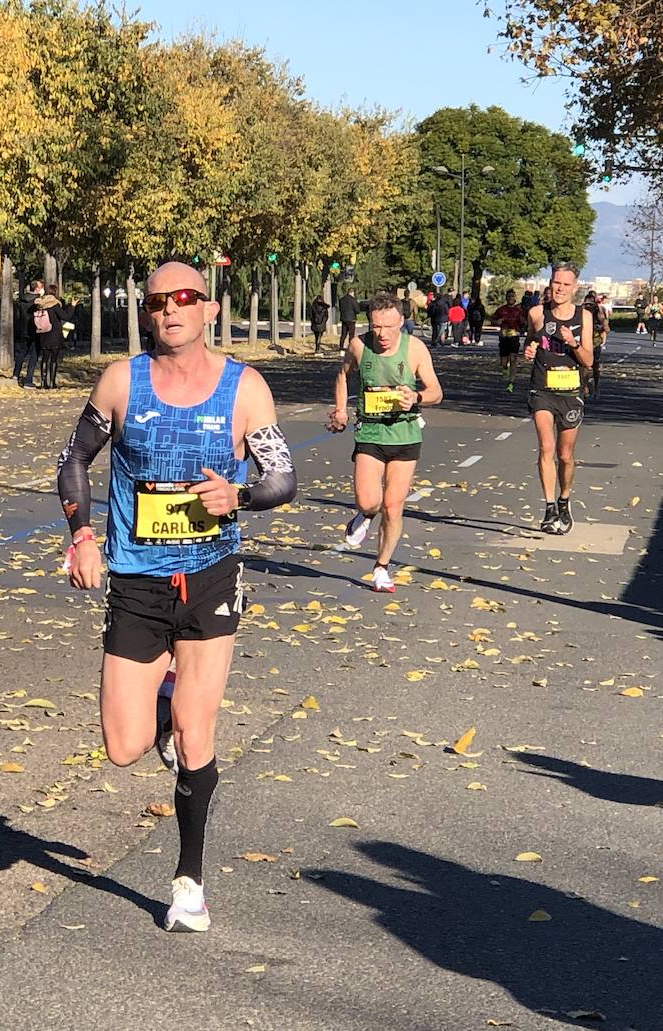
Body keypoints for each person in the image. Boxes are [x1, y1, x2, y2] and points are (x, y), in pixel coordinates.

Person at [57, 261, 297, 933]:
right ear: (146, 314)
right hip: (136, 581)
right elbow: (71, 461)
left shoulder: (243, 388)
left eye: (185, 297)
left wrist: (238, 495)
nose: (171, 308)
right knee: (123, 746)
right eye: (159, 300)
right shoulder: (120, 382)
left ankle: (188, 879)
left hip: (211, 577)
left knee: (199, 728)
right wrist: (81, 536)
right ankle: (159, 708)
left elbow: (283, 477)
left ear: (210, 309)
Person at [327, 292, 443, 593]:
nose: (382, 335)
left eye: (389, 328)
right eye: (376, 327)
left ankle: (381, 567)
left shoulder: (414, 348)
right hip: (371, 432)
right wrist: (340, 410)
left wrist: (416, 397)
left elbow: (435, 392)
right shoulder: (359, 345)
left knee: (393, 507)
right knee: (369, 501)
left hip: (405, 434)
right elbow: (342, 375)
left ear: (401, 322)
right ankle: (364, 516)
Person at [524, 261, 593, 534]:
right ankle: (549, 506)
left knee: (565, 455)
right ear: (549, 284)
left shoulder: (583, 317)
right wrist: (528, 350)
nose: (560, 289)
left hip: (571, 392)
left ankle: (564, 500)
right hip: (541, 389)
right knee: (546, 447)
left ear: (574, 287)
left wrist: (572, 342)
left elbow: (588, 360)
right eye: (556, 283)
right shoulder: (537, 313)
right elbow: (530, 341)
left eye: (566, 284)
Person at [34, 287, 75, 389]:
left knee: (44, 358)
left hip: (43, 333)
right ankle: (52, 383)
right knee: (53, 359)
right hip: (54, 334)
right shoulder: (54, 305)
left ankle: (43, 383)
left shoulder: (40, 305)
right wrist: (72, 306)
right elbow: (66, 316)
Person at [492, 288, 526, 392]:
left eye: (512, 296)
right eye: (509, 296)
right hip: (503, 337)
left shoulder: (519, 311)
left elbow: (525, 322)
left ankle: (511, 382)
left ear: (515, 298)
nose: (511, 298)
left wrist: (522, 322)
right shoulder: (501, 309)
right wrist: (497, 321)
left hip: (514, 337)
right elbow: (493, 320)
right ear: (506, 298)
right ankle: (505, 369)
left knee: (513, 359)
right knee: (503, 362)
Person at [13, 279, 45, 388]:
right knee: (34, 354)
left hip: (24, 329)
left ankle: (15, 374)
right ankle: (28, 379)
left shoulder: (22, 300)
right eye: (41, 287)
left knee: (22, 352)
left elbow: (18, 317)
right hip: (35, 329)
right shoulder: (38, 301)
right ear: (36, 288)